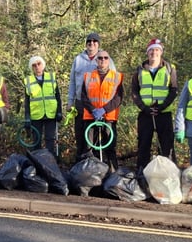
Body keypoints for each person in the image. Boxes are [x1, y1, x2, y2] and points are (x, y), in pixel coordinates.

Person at [131, 38, 178, 168]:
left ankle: (170, 173)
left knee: (166, 146)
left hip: (164, 112)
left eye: (157, 50)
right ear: (147, 52)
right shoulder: (139, 70)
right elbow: (134, 91)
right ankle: (142, 174)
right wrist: (144, 107)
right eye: (151, 50)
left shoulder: (169, 68)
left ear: (161, 52)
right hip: (145, 113)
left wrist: (162, 106)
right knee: (143, 145)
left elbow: (173, 90)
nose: (154, 53)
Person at [69, 32, 115, 160]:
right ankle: (81, 163)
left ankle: (97, 163)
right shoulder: (78, 59)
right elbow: (72, 81)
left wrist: (107, 106)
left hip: (99, 105)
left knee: (96, 136)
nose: (92, 44)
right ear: (86, 44)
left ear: (98, 44)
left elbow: (114, 81)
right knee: (80, 134)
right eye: (89, 41)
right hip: (80, 102)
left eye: (95, 41)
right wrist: (70, 101)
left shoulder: (105, 59)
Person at [78, 49, 123, 171]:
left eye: (105, 58)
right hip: (91, 117)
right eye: (100, 58)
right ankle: (89, 176)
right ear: (96, 60)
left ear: (109, 60)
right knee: (89, 148)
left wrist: (104, 110)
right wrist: (94, 110)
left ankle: (113, 175)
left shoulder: (117, 77)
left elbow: (118, 98)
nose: (103, 60)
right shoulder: (88, 77)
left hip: (109, 118)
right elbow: (83, 96)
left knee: (110, 148)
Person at [23, 55, 62, 157]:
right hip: (36, 115)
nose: (37, 67)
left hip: (51, 114)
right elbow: (27, 102)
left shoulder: (51, 78)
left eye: (39, 64)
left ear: (43, 65)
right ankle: (37, 163)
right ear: (31, 68)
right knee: (36, 140)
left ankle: (50, 162)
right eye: (34, 65)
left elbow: (58, 96)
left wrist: (59, 111)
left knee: (50, 139)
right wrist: (27, 117)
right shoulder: (28, 81)